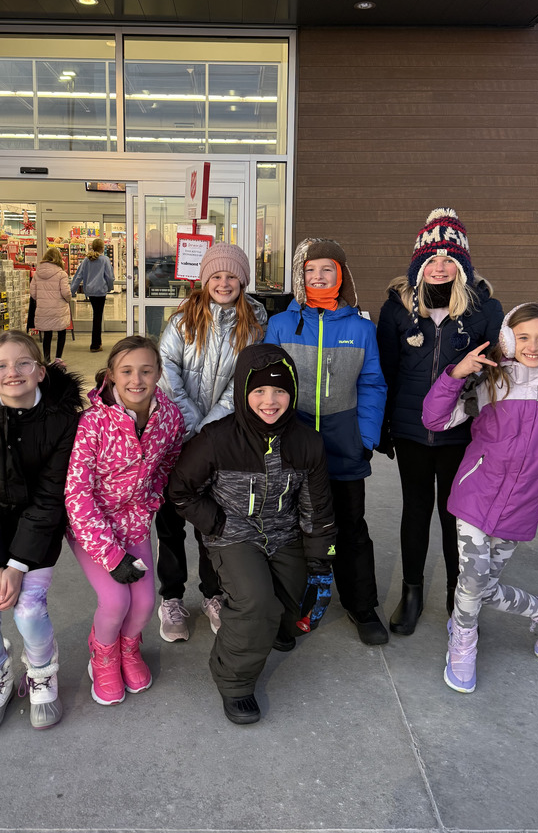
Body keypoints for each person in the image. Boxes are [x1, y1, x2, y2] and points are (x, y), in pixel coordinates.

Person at [422, 303, 538, 694]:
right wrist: (455, 374)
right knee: (471, 581)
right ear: (507, 339)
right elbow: (435, 419)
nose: (532, 346)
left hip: (522, 506)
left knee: (481, 589)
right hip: (475, 497)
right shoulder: (489, 383)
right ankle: (464, 643)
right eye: (523, 337)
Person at [168, 343, 337, 725]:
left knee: (297, 603)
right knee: (256, 602)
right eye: (259, 390)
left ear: (292, 392)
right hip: (234, 534)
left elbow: (317, 505)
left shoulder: (306, 441)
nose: (270, 400)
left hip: (282, 532)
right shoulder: (216, 439)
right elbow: (179, 490)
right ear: (243, 392)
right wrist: (215, 522)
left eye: (279, 390)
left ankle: (275, 625)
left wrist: (320, 554)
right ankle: (235, 681)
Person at [0, 330, 83, 735]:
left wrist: (18, 565)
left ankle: (42, 672)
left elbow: (51, 496)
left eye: (23, 363)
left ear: (40, 372)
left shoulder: (63, 420)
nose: (13, 373)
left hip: (37, 527)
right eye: (1, 366)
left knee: (27, 610)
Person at [376, 207, 503, 636]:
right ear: (419, 263)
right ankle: (411, 592)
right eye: (432, 259)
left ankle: (456, 593)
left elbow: (495, 374)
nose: (440, 267)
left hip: (461, 434)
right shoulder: (397, 309)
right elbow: (386, 371)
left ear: (462, 265)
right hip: (412, 428)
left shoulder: (484, 309)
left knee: (455, 516)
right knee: (415, 511)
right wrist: (383, 427)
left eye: (449, 259)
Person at [265, 238, 388, 645]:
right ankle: (290, 610)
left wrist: (365, 436)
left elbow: (372, 384)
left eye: (326, 270)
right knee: (291, 530)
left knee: (351, 528)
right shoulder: (282, 324)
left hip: (344, 444)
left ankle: (361, 604)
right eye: (310, 271)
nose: (318, 277)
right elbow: (266, 382)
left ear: (341, 275)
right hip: (292, 444)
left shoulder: (360, 328)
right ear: (300, 277)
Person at [64, 336, 185, 706]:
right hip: (93, 526)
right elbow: (77, 493)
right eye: (127, 371)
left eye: (146, 371)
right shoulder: (92, 423)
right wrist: (111, 556)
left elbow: (168, 461)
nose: (137, 380)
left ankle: (128, 649)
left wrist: (152, 499)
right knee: (116, 599)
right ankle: (102, 654)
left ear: (159, 374)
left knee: (145, 603)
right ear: (111, 376)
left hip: (134, 523)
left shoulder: (169, 418)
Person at [155, 242, 267, 642]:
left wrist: (209, 429)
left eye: (231, 276)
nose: (223, 283)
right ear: (204, 280)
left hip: (221, 438)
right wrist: (191, 423)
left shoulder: (254, 322)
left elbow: (245, 379)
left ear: (242, 280)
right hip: (174, 436)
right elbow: (166, 370)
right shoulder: (183, 319)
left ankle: (213, 593)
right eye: (216, 276)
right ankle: (170, 597)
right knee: (169, 524)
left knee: (211, 522)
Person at [70, 238, 115, 353]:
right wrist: (109, 287)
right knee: (98, 316)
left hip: (90, 291)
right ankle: (95, 344)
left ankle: (96, 342)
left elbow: (78, 276)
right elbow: (109, 277)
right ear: (102, 248)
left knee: (96, 315)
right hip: (100, 291)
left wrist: (72, 291)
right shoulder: (104, 260)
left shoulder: (86, 260)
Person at [30, 247, 71, 363]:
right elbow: (66, 292)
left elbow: (32, 292)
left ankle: (47, 359)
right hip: (59, 309)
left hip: (43, 309)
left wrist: (42, 300)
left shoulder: (38, 273)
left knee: (47, 334)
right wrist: (68, 299)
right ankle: (58, 358)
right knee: (61, 332)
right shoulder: (61, 274)